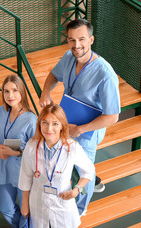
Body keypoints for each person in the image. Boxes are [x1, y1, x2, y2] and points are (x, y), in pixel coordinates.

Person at [39, 19, 120, 215]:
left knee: (86, 171)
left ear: (91, 39)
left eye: (82, 39)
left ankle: (80, 210)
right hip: (66, 121)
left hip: (87, 130)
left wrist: (80, 130)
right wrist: (45, 93)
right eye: (71, 40)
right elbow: (53, 75)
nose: (77, 45)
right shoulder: (68, 57)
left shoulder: (105, 74)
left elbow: (113, 116)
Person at [19, 104, 94, 228]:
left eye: (55, 123)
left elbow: (89, 171)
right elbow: (25, 177)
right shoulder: (31, 146)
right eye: (45, 123)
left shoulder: (72, 147)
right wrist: (24, 205)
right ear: (39, 124)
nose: (49, 128)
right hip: (38, 208)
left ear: (62, 126)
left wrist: (76, 190)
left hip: (63, 210)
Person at [0, 75, 37, 228]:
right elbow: (1, 135)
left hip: (23, 170)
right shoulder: (2, 111)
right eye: (6, 91)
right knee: (5, 207)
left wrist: (15, 152)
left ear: (22, 92)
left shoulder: (31, 119)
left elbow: (36, 150)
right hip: (5, 167)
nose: (10, 95)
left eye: (14, 90)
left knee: (25, 209)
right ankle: (18, 227)